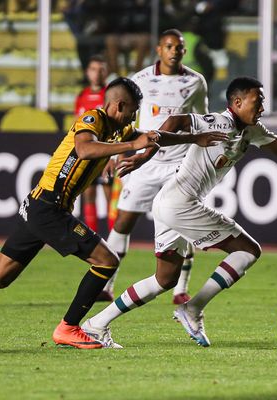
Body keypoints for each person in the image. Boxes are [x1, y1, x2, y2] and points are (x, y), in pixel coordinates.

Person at [0, 77, 227, 350]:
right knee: (107, 261)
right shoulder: (94, 119)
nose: (133, 119)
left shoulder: (117, 129)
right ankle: (69, 327)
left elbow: (153, 136)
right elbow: (84, 149)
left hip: (39, 206)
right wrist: (129, 147)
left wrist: (193, 138)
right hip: (48, 207)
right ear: (118, 106)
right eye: (132, 111)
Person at [81, 76, 277, 349]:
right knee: (248, 251)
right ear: (238, 102)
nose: (262, 108)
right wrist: (144, 156)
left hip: (168, 202)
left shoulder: (252, 130)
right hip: (180, 204)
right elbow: (175, 122)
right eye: (258, 102)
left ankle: (96, 324)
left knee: (164, 279)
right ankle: (192, 308)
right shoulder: (218, 123)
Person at [98, 28, 209, 305]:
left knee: (179, 223)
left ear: (184, 51)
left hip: (178, 163)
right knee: (123, 222)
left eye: (179, 47)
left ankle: (181, 288)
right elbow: (127, 122)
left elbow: (201, 120)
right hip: (144, 163)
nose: (175, 51)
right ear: (159, 49)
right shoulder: (141, 80)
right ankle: (107, 285)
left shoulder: (196, 82)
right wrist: (114, 154)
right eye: (169, 46)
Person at [75, 55, 114, 234]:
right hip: (89, 154)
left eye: (101, 69)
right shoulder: (82, 96)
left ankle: (115, 240)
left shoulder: (110, 95)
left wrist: (114, 156)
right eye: (93, 69)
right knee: (88, 195)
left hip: (105, 153)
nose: (97, 73)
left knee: (110, 196)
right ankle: (93, 238)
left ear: (106, 72)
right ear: (87, 72)